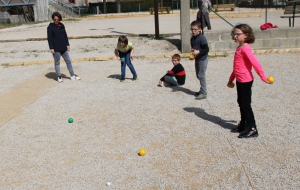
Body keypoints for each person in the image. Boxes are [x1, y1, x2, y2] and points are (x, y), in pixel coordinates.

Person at [228, 24, 272, 138]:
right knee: (241, 102)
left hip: (245, 80)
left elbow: (255, 63)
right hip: (239, 79)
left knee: (245, 104)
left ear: (246, 35)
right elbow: (236, 67)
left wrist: (263, 76)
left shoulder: (246, 48)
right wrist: (231, 79)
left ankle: (252, 128)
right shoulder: (239, 47)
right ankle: (243, 124)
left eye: (237, 34)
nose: (235, 36)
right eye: (234, 34)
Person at [47, 12, 80, 83]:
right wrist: (51, 48)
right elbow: (49, 38)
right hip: (56, 48)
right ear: (53, 19)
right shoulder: (50, 27)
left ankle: (72, 75)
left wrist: (67, 44)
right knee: (57, 62)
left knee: (68, 61)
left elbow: (65, 35)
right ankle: (59, 76)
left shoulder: (62, 25)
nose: (56, 20)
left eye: (57, 19)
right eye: (55, 19)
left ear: (59, 19)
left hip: (63, 47)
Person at [190, 20, 209, 100]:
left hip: (203, 59)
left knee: (201, 75)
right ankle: (202, 90)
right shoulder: (193, 38)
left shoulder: (202, 38)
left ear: (200, 29)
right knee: (198, 75)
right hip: (197, 58)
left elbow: (206, 49)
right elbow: (194, 47)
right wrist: (193, 53)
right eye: (192, 29)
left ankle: (204, 92)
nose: (193, 31)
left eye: (195, 29)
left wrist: (199, 51)